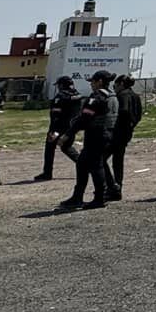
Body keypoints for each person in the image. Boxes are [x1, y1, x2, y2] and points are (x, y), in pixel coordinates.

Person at [59, 70, 118, 211]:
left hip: (96, 135)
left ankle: (99, 198)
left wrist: (68, 134)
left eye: (93, 81)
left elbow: (85, 118)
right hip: (106, 134)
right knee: (82, 164)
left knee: (96, 166)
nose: (91, 84)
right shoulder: (113, 96)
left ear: (100, 82)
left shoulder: (97, 96)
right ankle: (77, 196)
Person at [38, 76, 83, 180]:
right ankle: (85, 165)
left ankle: (47, 173)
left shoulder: (61, 96)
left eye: (59, 85)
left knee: (50, 148)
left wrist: (52, 130)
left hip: (58, 127)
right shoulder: (78, 95)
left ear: (62, 85)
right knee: (67, 147)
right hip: (71, 127)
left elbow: (55, 114)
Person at [108, 74, 143, 199]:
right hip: (126, 132)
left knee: (101, 160)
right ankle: (117, 186)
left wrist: (115, 127)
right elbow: (139, 115)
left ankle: (113, 188)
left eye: (115, 86)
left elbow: (123, 111)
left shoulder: (123, 95)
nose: (114, 88)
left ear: (121, 84)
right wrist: (131, 126)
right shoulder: (135, 95)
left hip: (117, 132)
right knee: (118, 161)